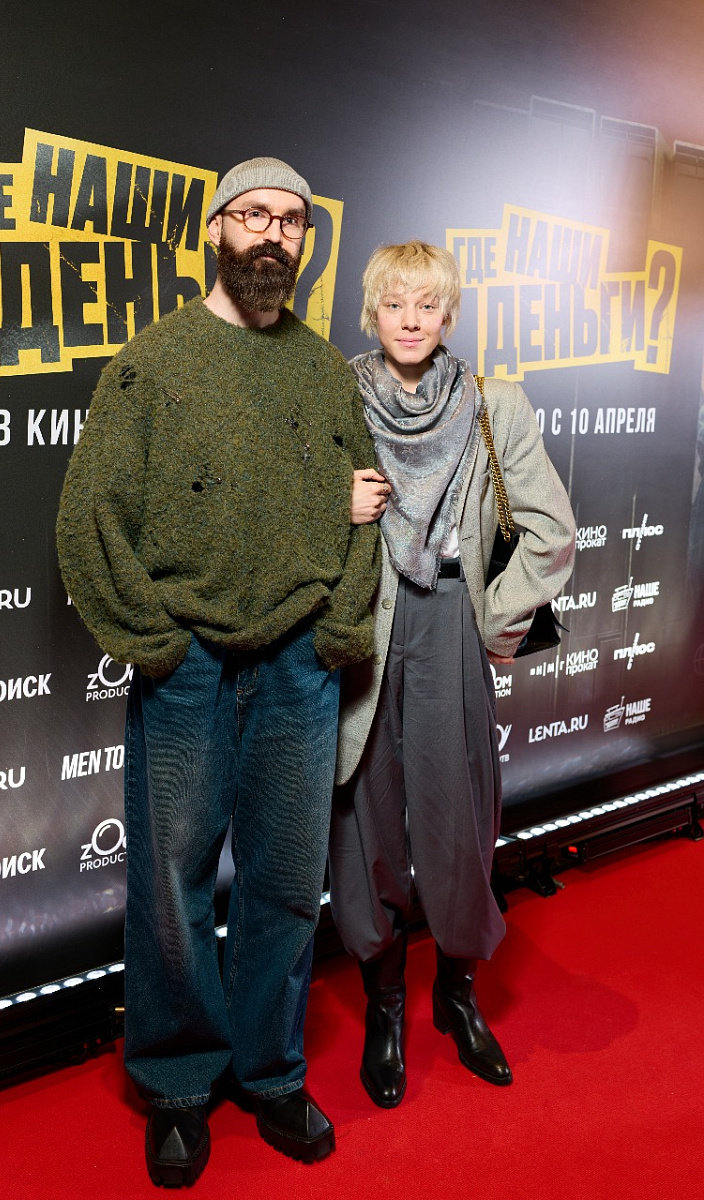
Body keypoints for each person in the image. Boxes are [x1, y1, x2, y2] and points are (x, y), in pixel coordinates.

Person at [56, 157, 379, 1186]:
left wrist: (339, 625)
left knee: (285, 882)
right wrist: (153, 644)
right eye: (254, 215)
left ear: (305, 241)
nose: (273, 234)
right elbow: (89, 517)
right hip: (188, 663)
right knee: (171, 885)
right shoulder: (151, 363)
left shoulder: (324, 371)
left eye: (292, 220)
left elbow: (363, 503)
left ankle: (271, 1070)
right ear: (215, 229)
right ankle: (178, 1083)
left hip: (297, 664)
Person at [329, 240, 575, 1108]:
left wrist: (492, 620)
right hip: (361, 622)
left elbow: (551, 530)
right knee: (364, 815)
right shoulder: (334, 396)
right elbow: (282, 514)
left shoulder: (492, 402)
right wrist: (335, 506)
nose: (410, 320)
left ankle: (458, 992)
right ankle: (385, 1002)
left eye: (427, 304)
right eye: (395, 303)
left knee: (460, 814)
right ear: (372, 310)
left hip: (449, 620)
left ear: (449, 313)